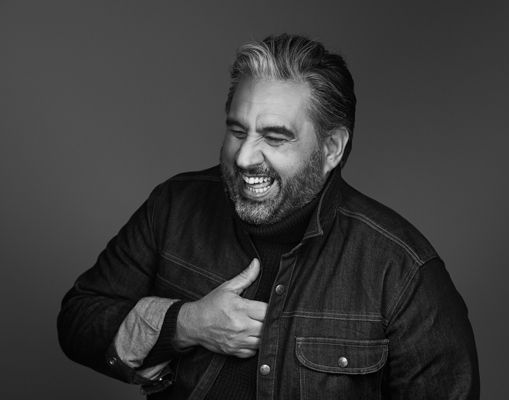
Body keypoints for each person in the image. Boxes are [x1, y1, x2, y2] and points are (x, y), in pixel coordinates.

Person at [58, 33, 479, 399]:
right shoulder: (174, 206)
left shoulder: (402, 269)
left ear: (331, 149)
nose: (244, 157)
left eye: (274, 137)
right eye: (237, 130)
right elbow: (78, 322)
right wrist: (186, 324)